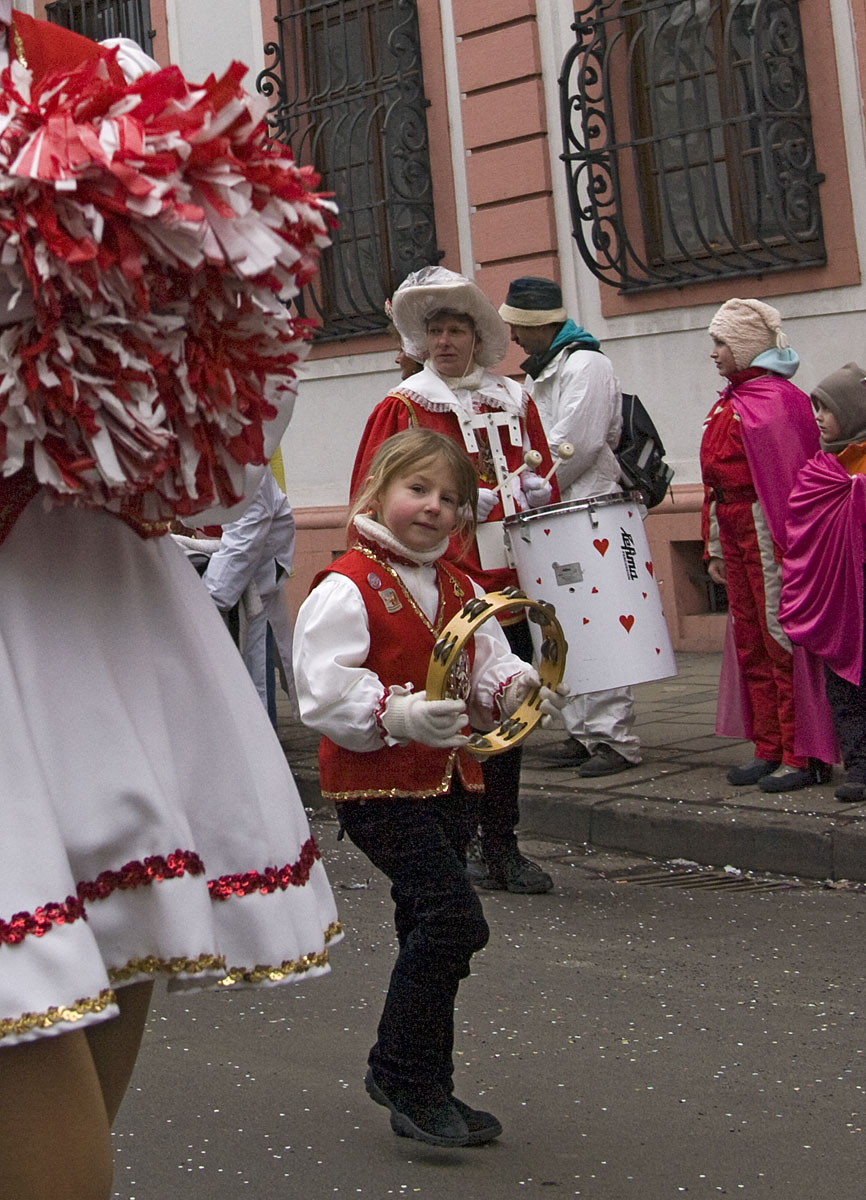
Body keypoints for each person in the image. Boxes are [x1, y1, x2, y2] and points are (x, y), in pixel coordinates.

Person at [0, 15, 340, 1199]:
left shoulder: (88, 87)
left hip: (49, 598)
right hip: (97, 595)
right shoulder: (98, 81)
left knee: (29, 995)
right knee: (82, 957)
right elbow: (252, 384)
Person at [294, 428, 565, 1147]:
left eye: (450, 499)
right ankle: (400, 1069)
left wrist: (515, 688)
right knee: (453, 920)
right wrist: (397, 711)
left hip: (451, 783)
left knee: (426, 925)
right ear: (380, 492)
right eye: (418, 490)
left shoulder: (460, 586)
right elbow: (321, 691)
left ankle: (424, 1086)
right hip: (377, 790)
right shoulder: (348, 584)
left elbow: (485, 661)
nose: (434, 508)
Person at [351, 266, 559, 895]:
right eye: (435, 330)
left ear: (476, 338)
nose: (445, 341)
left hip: (511, 582)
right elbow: (373, 494)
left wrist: (534, 487)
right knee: (449, 717)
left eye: (456, 330)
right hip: (443, 585)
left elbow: (540, 465)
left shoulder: (512, 398)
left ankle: (503, 843)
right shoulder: (405, 405)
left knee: (509, 710)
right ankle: (455, 839)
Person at [499, 276, 642, 776]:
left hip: (588, 511)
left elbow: (571, 446)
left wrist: (527, 486)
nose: (513, 336)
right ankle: (583, 731)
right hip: (559, 513)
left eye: (518, 326)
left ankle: (613, 737)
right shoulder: (547, 369)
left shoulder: (586, 365)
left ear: (539, 325)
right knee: (562, 626)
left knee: (599, 625)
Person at [700, 298, 836, 792]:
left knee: (781, 638)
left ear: (745, 347)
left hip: (764, 530)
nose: (713, 353)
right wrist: (715, 544)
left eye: (720, 343)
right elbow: (718, 482)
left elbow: (786, 482)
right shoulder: (734, 401)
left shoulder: (777, 402)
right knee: (750, 639)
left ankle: (802, 753)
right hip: (736, 526)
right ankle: (768, 745)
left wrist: (791, 549)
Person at [780, 364, 866, 801]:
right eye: (814, 406)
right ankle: (857, 766)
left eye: (827, 407)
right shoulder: (821, 467)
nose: (817, 416)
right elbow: (803, 523)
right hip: (838, 606)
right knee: (843, 690)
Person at [199, 465, 300, 725]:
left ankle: (262, 741)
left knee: (253, 670)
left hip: (250, 583)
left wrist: (209, 598)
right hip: (217, 574)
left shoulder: (240, 466)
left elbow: (247, 534)